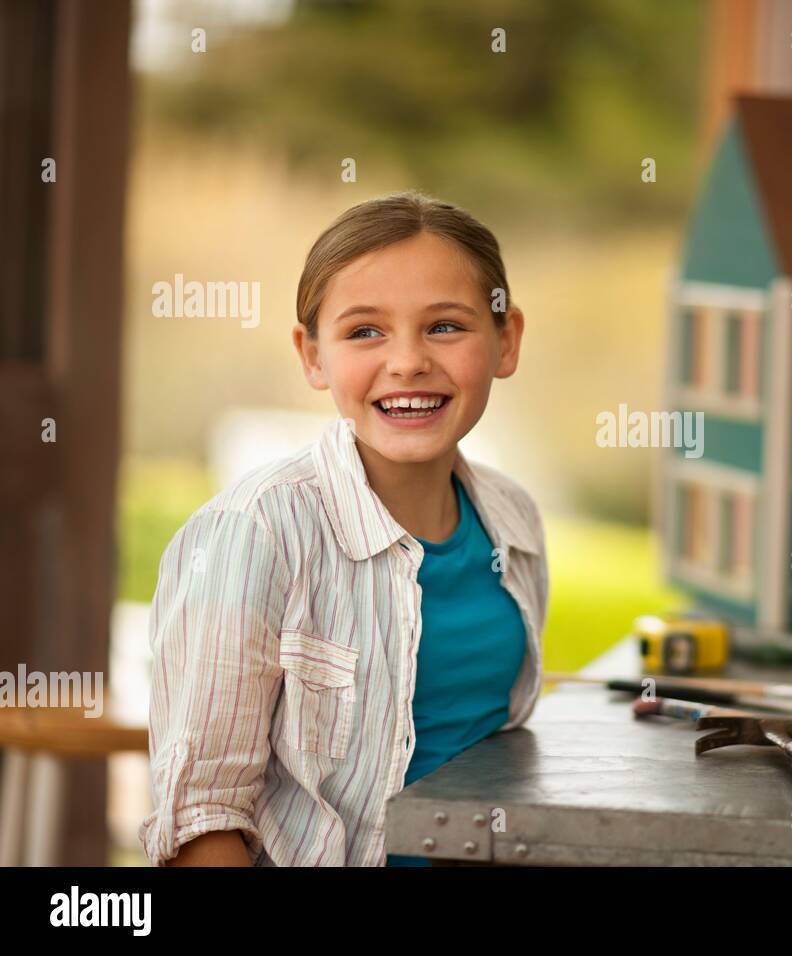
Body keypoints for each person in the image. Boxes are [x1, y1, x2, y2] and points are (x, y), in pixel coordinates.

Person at [138, 192, 548, 866]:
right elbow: (203, 823)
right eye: (365, 332)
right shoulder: (251, 535)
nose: (408, 361)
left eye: (446, 326)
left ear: (507, 340)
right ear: (312, 355)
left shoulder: (514, 521)